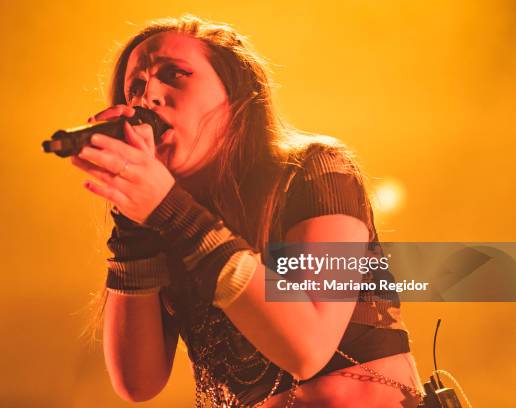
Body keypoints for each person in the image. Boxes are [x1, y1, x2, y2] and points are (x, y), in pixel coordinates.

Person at [72, 15, 424, 408]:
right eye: (135, 86)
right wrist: (132, 222)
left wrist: (167, 208)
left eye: (174, 75)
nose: (146, 97)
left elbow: (305, 348)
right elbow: (138, 383)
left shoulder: (315, 171)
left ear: (236, 95)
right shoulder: (163, 225)